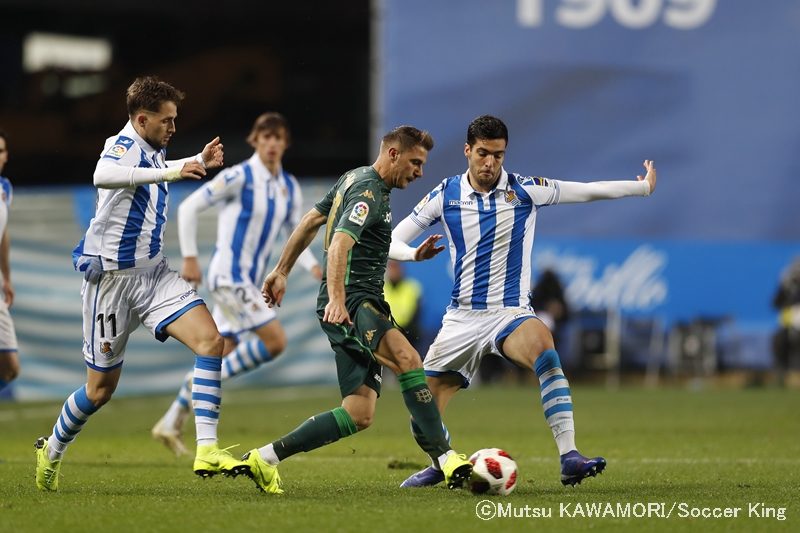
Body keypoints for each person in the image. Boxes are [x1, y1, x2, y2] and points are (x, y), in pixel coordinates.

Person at [390, 115, 657, 488]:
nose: (490, 163)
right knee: (421, 409)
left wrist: (640, 187)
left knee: (544, 349)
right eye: (483, 153)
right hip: (461, 318)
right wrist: (413, 256)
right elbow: (394, 238)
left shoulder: (525, 190)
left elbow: (584, 190)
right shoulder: (445, 194)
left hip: (509, 313)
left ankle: (569, 457)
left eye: (498, 155)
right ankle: (443, 462)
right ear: (467, 151)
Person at [34, 76, 249, 492]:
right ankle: (53, 448)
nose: (172, 127)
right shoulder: (123, 144)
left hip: (153, 275)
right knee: (99, 391)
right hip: (112, 283)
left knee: (211, 340)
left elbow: (160, 167)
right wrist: (170, 170)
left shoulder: (155, 145)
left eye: (175, 120)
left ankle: (207, 449)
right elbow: (102, 175)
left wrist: (195, 158)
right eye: (166, 121)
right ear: (141, 118)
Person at [241, 125, 473, 494]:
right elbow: (338, 246)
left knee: (359, 413)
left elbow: (311, 221)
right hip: (353, 302)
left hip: (356, 300)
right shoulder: (369, 192)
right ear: (393, 154)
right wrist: (336, 298)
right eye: (415, 162)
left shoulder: (355, 179)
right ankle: (446, 458)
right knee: (408, 358)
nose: (419, 172)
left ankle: (264, 458)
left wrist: (282, 270)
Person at [151, 112, 322, 456]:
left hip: (246, 280)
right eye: (265, 137)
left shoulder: (288, 187)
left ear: (285, 143)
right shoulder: (239, 176)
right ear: (254, 141)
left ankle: (171, 420)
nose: (272, 144)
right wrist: (189, 257)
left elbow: (296, 234)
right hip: (229, 277)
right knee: (275, 342)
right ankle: (202, 395)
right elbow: (188, 207)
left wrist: (313, 265)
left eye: (278, 138)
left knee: (217, 351)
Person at [0, 129, 19, 397]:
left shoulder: (5, 188)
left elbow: (3, 234)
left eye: (1, 151)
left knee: (10, 368)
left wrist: (7, 277)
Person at [383, 260, 423, 352]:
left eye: (396, 267)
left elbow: (415, 314)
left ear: (401, 268)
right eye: (391, 267)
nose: (393, 271)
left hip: (407, 333)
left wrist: (400, 331)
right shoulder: (381, 287)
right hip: (385, 332)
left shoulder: (412, 287)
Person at [772, 257, 800, 387]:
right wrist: (786, 289)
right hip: (790, 324)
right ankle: (782, 374)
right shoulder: (788, 287)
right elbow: (775, 303)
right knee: (779, 340)